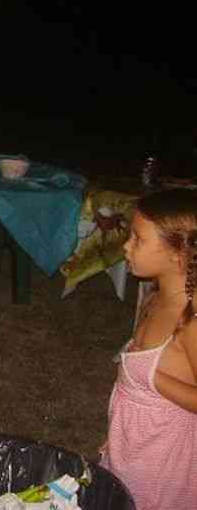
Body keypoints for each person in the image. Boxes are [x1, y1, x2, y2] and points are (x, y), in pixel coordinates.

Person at [100, 188, 197, 510]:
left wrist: (156, 379)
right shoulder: (154, 298)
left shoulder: (190, 321)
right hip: (134, 445)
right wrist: (116, 438)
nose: (126, 246)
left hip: (164, 463)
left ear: (178, 254)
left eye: (138, 239)